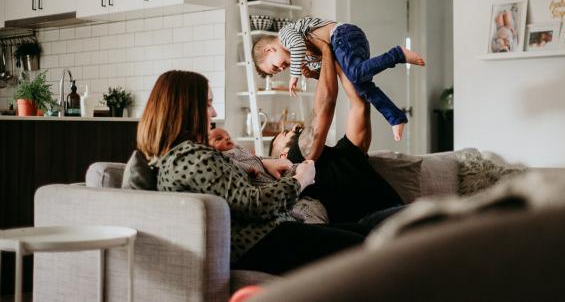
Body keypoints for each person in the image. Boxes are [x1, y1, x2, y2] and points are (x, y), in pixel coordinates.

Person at [136, 70, 369, 275]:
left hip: (270, 236)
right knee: (371, 248)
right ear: (185, 110)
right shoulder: (191, 157)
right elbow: (253, 203)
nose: (214, 112)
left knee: (374, 234)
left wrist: (263, 162)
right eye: (207, 104)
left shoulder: (175, 158)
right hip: (263, 242)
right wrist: (301, 180)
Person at [267, 35, 405, 225]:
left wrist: (341, 59)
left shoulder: (347, 152)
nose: (289, 130)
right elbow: (325, 106)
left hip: (404, 215)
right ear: (281, 155)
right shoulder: (297, 162)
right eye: (282, 135)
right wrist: (325, 51)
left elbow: (359, 105)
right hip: (373, 226)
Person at [251, 17, 425, 141]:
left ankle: (397, 54)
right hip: (343, 47)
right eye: (278, 71)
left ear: (269, 50)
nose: (282, 68)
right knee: (362, 87)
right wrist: (313, 73)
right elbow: (328, 70)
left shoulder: (285, 35)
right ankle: (395, 117)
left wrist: (294, 75)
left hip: (343, 35)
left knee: (355, 74)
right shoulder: (302, 57)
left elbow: (298, 45)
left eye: (275, 66)